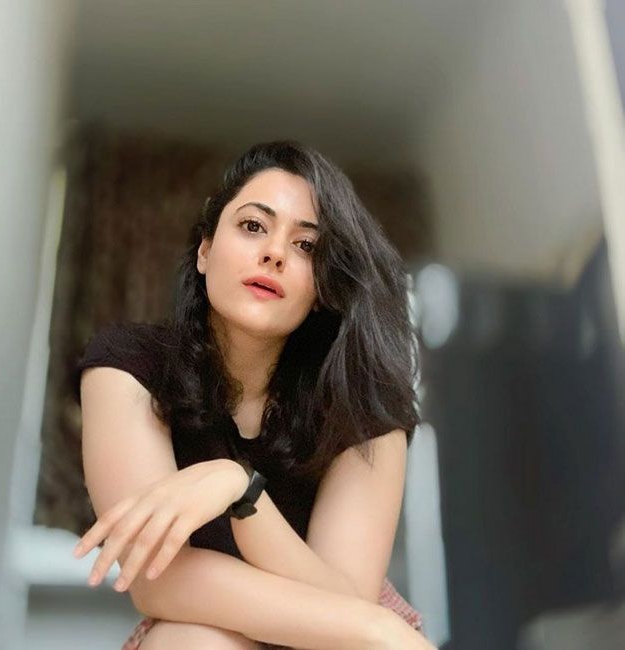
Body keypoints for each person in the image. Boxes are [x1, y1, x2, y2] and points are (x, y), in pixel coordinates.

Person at [73, 140, 435, 649]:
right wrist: (378, 628)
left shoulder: (364, 407)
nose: (274, 254)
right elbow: (157, 579)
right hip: (224, 631)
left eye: (306, 246)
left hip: (340, 639)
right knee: (193, 641)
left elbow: (344, 611)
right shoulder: (129, 365)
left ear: (321, 289)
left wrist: (242, 494)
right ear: (205, 251)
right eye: (253, 226)